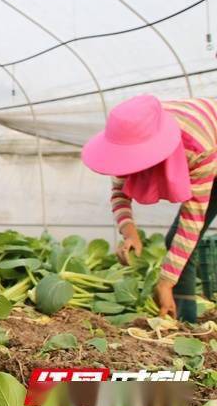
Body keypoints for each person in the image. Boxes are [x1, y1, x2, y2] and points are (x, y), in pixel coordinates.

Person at [82, 95, 217, 322]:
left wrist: (166, 282)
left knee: (180, 239)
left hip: (210, 147)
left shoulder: (198, 149)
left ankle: (186, 319)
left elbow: (192, 220)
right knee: (174, 243)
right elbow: (119, 192)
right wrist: (130, 233)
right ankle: (186, 322)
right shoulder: (131, 134)